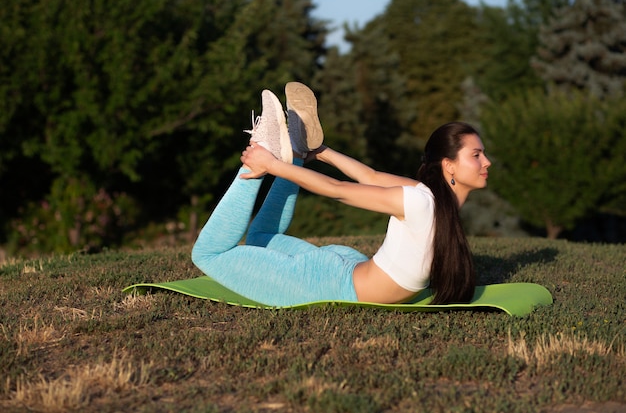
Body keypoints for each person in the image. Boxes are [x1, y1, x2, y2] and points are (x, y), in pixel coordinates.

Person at [191, 82, 491, 306]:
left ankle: (295, 152)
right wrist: (270, 165)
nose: (486, 162)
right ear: (449, 166)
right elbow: (339, 190)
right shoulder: (421, 202)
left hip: (345, 270)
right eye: (476, 155)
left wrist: (320, 151)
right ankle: (268, 147)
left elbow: (369, 176)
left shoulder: (426, 197)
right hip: (332, 281)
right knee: (207, 254)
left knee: (260, 238)